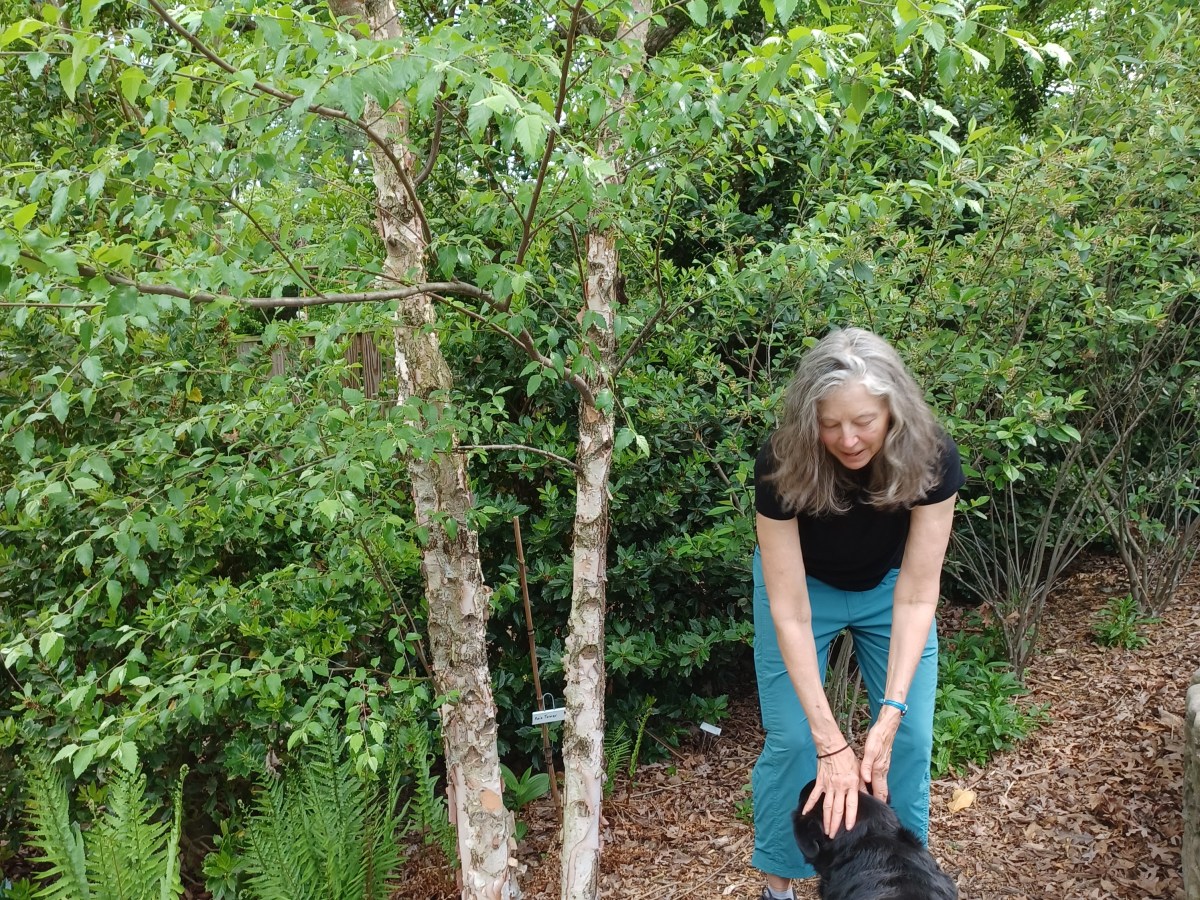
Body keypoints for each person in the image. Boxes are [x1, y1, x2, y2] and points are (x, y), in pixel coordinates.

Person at [750, 327, 964, 900]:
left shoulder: (933, 455)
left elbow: (920, 594)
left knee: (912, 735)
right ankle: (780, 887)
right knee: (796, 741)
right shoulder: (780, 462)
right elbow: (788, 610)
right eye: (830, 423)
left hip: (892, 588)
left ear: (893, 409)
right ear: (808, 420)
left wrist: (889, 713)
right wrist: (829, 741)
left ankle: (900, 882)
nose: (848, 439)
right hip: (802, 591)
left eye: (864, 420)